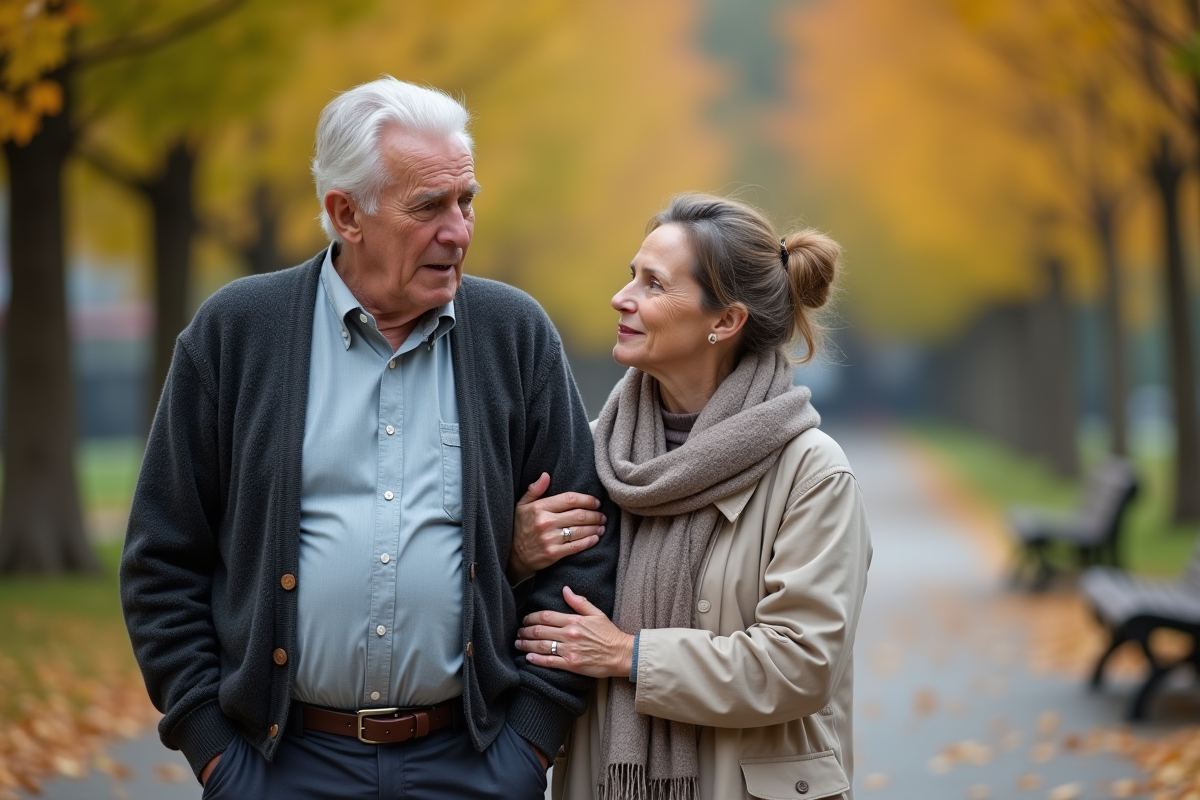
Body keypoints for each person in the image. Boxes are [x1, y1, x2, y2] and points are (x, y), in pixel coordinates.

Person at [120, 76, 617, 800]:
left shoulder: (515, 335)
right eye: (429, 207)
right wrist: (216, 755)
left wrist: (529, 745)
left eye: (466, 200)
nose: (458, 230)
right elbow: (162, 560)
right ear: (346, 214)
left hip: (474, 764)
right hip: (280, 767)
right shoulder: (238, 333)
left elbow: (583, 552)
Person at [510, 193, 872, 800]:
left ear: (724, 322)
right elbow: (524, 624)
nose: (621, 298)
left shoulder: (811, 474)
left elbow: (801, 665)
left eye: (653, 285)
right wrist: (518, 554)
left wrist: (629, 655)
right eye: (631, 276)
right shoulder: (594, 454)